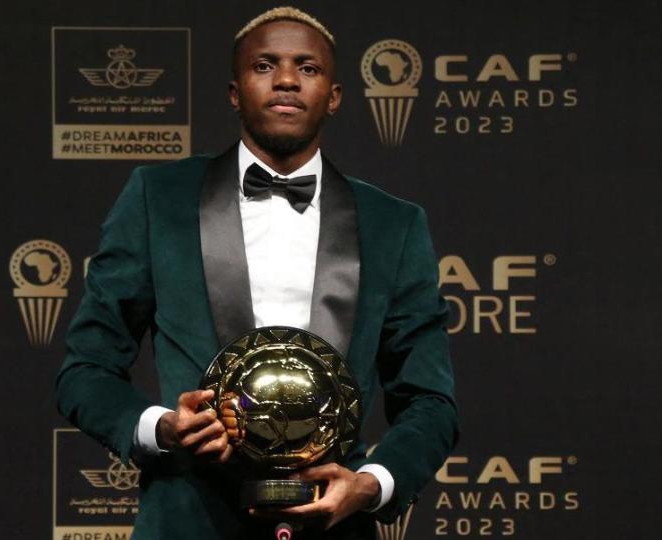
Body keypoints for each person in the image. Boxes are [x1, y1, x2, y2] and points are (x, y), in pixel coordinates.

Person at [56, 6, 459, 540]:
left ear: (334, 96)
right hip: (188, 521)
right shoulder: (159, 198)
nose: (287, 79)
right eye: (265, 65)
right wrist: (163, 429)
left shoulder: (394, 224)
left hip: (335, 525)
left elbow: (430, 400)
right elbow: (85, 370)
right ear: (234, 91)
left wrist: (371, 484)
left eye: (308, 68)